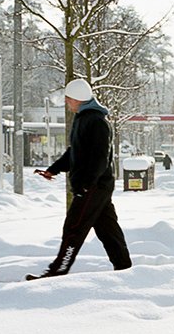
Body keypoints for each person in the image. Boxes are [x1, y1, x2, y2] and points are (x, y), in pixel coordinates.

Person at [26, 78, 132, 280]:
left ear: (78, 98)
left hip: (93, 186)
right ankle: (125, 269)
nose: (67, 102)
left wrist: (86, 185)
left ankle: (58, 270)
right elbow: (75, 152)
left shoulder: (97, 121)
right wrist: (53, 170)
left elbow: (100, 157)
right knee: (108, 230)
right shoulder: (84, 118)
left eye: (69, 99)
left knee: (73, 228)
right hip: (96, 186)